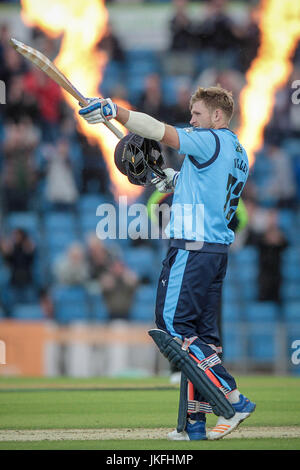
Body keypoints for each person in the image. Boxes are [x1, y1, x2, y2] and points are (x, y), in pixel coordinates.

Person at [78, 85, 256, 441]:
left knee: (174, 328)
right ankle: (194, 425)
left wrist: (116, 110)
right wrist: (166, 178)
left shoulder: (210, 140)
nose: (191, 121)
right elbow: (199, 185)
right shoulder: (237, 150)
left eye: (197, 115)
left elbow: (158, 130)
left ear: (217, 116)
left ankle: (233, 399)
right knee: (202, 336)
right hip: (215, 251)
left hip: (191, 249)